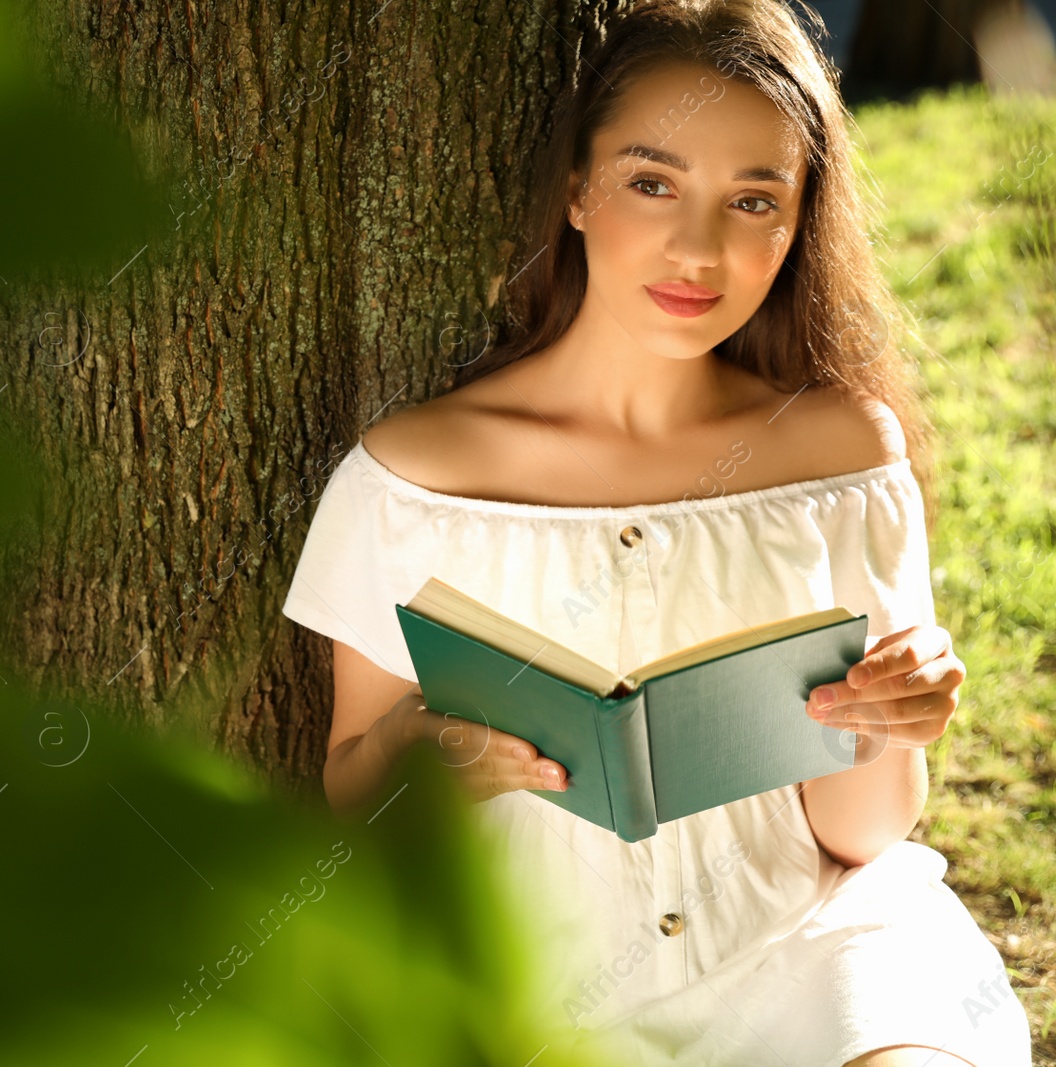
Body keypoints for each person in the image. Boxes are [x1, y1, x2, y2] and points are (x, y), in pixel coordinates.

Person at [278, 1, 1035, 1064]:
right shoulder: (413, 474)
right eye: (651, 182)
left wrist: (890, 720)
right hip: (525, 975)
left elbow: (862, 833)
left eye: (752, 200)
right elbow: (352, 780)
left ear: (796, 222)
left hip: (808, 948)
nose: (697, 247)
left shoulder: (837, 449)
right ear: (579, 191)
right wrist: (417, 750)